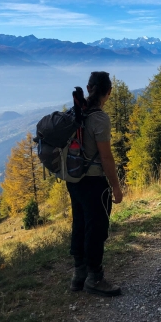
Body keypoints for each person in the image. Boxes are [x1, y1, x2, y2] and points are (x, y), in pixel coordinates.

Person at [68, 71, 123, 296]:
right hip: (93, 182)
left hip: (74, 179)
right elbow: (106, 157)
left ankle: (78, 275)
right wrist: (117, 187)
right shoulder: (99, 118)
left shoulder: (77, 112)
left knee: (80, 224)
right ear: (108, 92)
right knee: (96, 228)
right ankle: (95, 278)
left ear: (89, 88)